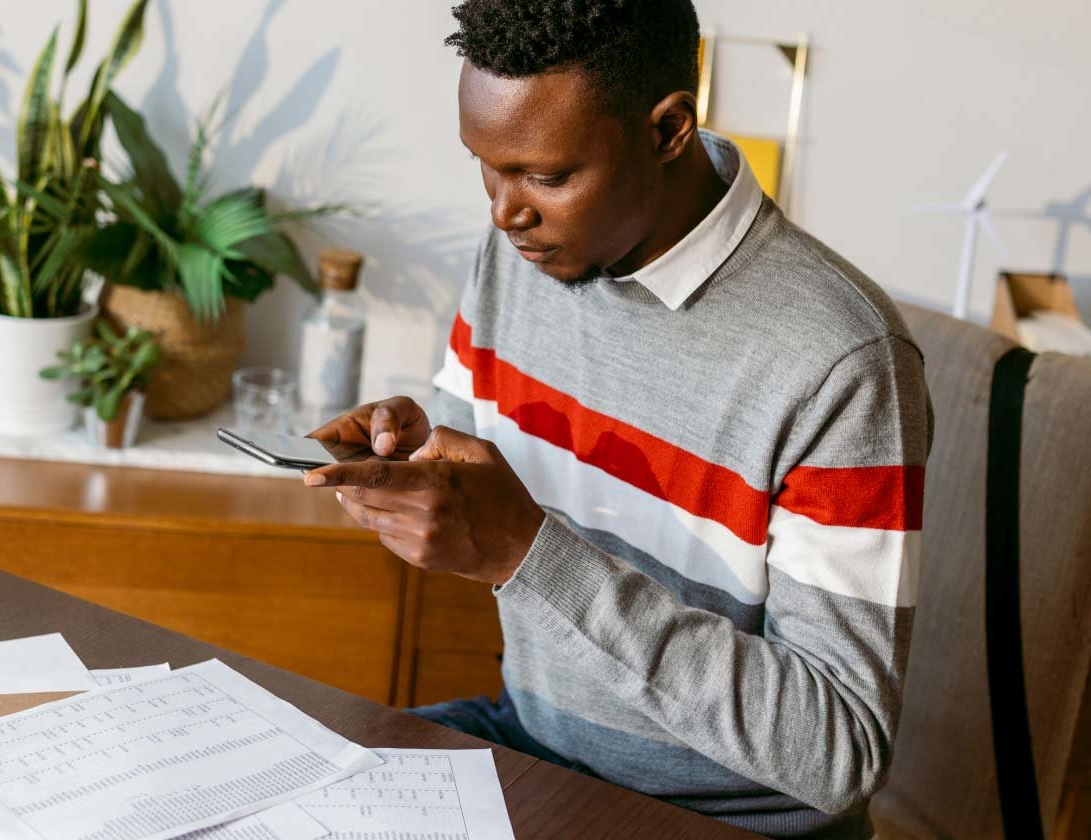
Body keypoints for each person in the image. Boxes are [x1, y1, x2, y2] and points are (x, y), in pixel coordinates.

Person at [304, 1, 933, 837]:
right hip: (536, 745)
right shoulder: (524, 254)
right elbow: (480, 476)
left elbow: (838, 751)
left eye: (547, 176)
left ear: (670, 127)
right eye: (485, 166)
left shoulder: (842, 362)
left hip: (730, 818)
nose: (503, 211)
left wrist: (528, 553)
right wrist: (413, 454)